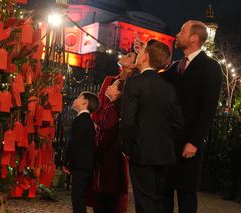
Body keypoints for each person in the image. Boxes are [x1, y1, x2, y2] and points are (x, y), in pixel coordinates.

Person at [160, 20, 222, 213]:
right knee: (164, 193)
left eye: (182, 31)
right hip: (169, 141)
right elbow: (154, 80)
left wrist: (194, 141)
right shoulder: (176, 66)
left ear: (194, 37)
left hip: (188, 143)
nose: (177, 34)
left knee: (186, 194)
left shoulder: (210, 66)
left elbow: (208, 108)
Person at [120, 39, 184, 213]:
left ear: (146, 56)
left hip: (142, 152)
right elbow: (178, 123)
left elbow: (127, 121)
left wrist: (127, 147)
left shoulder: (134, 83)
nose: (138, 55)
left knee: (145, 203)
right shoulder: (169, 88)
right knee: (160, 202)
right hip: (165, 154)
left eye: (141, 52)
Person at [89, 79, 128, 213]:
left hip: (107, 162)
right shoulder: (116, 107)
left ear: (118, 92)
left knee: (105, 204)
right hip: (112, 160)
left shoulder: (112, 108)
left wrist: (96, 153)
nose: (108, 87)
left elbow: (106, 135)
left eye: (112, 85)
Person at [63, 91, 99, 213]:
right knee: (79, 199)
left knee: (78, 200)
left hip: (81, 165)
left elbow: (75, 144)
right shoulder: (87, 121)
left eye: (79, 97)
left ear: (85, 102)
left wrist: (67, 163)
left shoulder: (81, 121)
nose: (75, 99)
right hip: (85, 165)